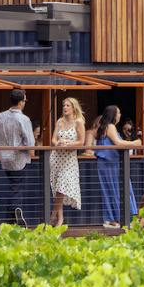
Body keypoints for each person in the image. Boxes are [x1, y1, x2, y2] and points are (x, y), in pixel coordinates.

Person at [0, 89, 35, 226]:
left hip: (4, 157)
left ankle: (10, 220)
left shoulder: (0, 116)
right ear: (21, 102)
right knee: (16, 187)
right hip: (19, 158)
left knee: (12, 186)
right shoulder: (24, 119)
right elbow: (30, 142)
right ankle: (16, 208)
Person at [91, 104, 140, 229]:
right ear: (113, 115)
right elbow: (118, 143)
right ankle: (124, 218)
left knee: (109, 190)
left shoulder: (101, 127)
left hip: (105, 164)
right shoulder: (111, 126)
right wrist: (135, 143)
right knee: (121, 190)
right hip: (111, 164)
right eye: (118, 113)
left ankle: (111, 219)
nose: (120, 115)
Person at [49, 96, 88, 225]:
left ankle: (54, 216)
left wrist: (69, 144)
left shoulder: (78, 122)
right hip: (56, 158)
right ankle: (59, 217)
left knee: (62, 187)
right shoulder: (59, 121)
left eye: (67, 106)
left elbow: (81, 142)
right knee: (56, 188)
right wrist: (59, 142)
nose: (65, 108)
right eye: (64, 105)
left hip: (69, 160)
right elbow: (53, 139)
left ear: (73, 108)